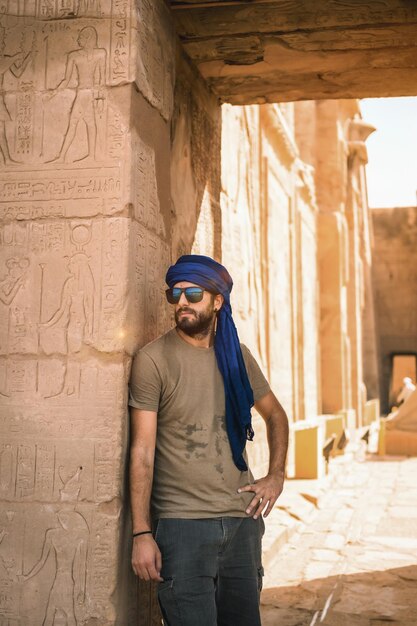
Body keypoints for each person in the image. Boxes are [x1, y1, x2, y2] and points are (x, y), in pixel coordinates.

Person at [129, 254, 289, 626]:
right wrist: (141, 532)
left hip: (242, 524)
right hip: (183, 527)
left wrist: (276, 475)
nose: (182, 301)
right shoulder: (153, 360)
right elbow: (141, 453)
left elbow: (276, 415)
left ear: (217, 300)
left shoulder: (238, 358)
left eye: (193, 293)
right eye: (175, 294)